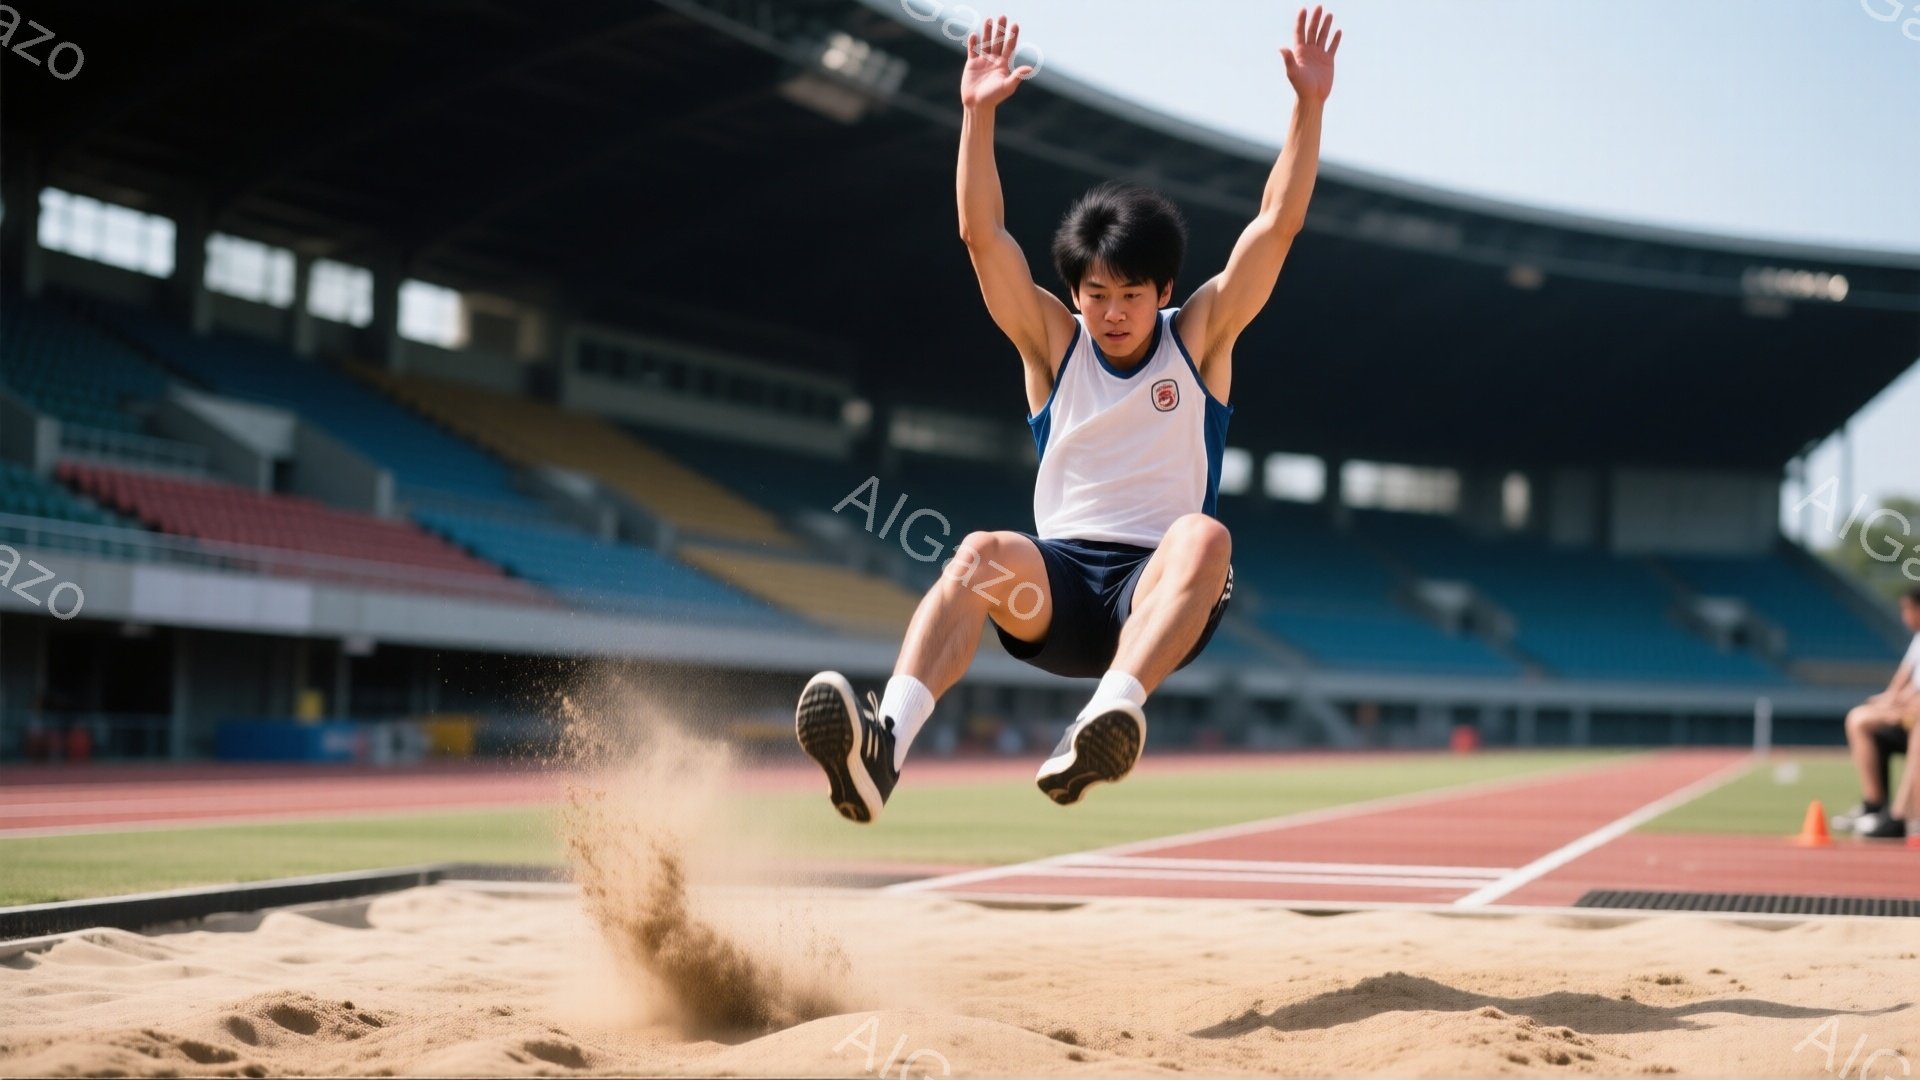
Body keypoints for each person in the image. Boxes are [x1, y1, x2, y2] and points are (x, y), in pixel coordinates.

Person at [795, 8, 1340, 821]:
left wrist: (1309, 106)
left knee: (1207, 536)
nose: (1112, 313)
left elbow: (1277, 224)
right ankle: (884, 751)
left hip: (1153, 599)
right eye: (1096, 295)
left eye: (1130, 295)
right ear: (1076, 293)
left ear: (1163, 292)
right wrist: (977, 114)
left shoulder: (1199, 339)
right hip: (1054, 596)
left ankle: (1109, 714)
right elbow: (983, 237)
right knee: (977, 552)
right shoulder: (1055, 346)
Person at [1835, 584, 1920, 839]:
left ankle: (1901, 816)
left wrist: (1903, 707)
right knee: (1859, 718)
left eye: (1906, 609)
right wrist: (1888, 703)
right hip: (1910, 712)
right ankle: (1874, 805)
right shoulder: (1917, 640)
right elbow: (1902, 683)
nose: (1903, 615)